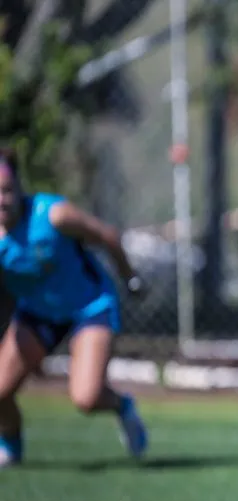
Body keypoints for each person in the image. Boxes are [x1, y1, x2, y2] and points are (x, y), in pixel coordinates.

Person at [0, 148, 148, 467]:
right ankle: (10, 446)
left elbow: (107, 236)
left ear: (19, 188)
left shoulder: (53, 215)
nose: (2, 199)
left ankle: (123, 406)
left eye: (7, 190)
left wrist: (130, 278)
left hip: (89, 305)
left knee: (86, 397)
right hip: (38, 313)